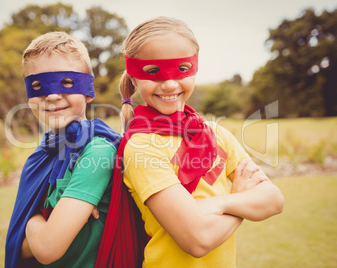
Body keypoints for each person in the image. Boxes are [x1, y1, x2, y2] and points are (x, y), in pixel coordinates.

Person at [96, 17, 284, 267]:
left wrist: (222, 202)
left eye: (182, 69)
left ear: (195, 69)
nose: (170, 83)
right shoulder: (141, 146)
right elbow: (197, 239)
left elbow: (273, 199)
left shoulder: (216, 134)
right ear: (134, 78)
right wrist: (240, 199)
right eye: (153, 71)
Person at [5, 31, 121, 268]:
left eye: (66, 82)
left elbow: (46, 248)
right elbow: (22, 248)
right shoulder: (41, 155)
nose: (53, 95)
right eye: (38, 85)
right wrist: (41, 226)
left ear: (88, 90)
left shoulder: (97, 152)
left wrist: (32, 219)